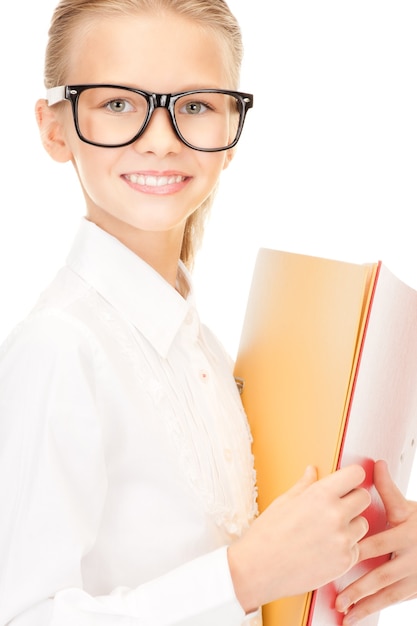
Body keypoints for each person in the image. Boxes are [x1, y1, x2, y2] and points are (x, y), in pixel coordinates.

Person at [0, 1, 415, 625]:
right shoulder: (59, 347)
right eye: (117, 104)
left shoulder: (210, 355)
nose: (161, 139)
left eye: (194, 105)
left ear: (232, 132)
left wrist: (370, 550)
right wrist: (246, 574)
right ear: (55, 128)